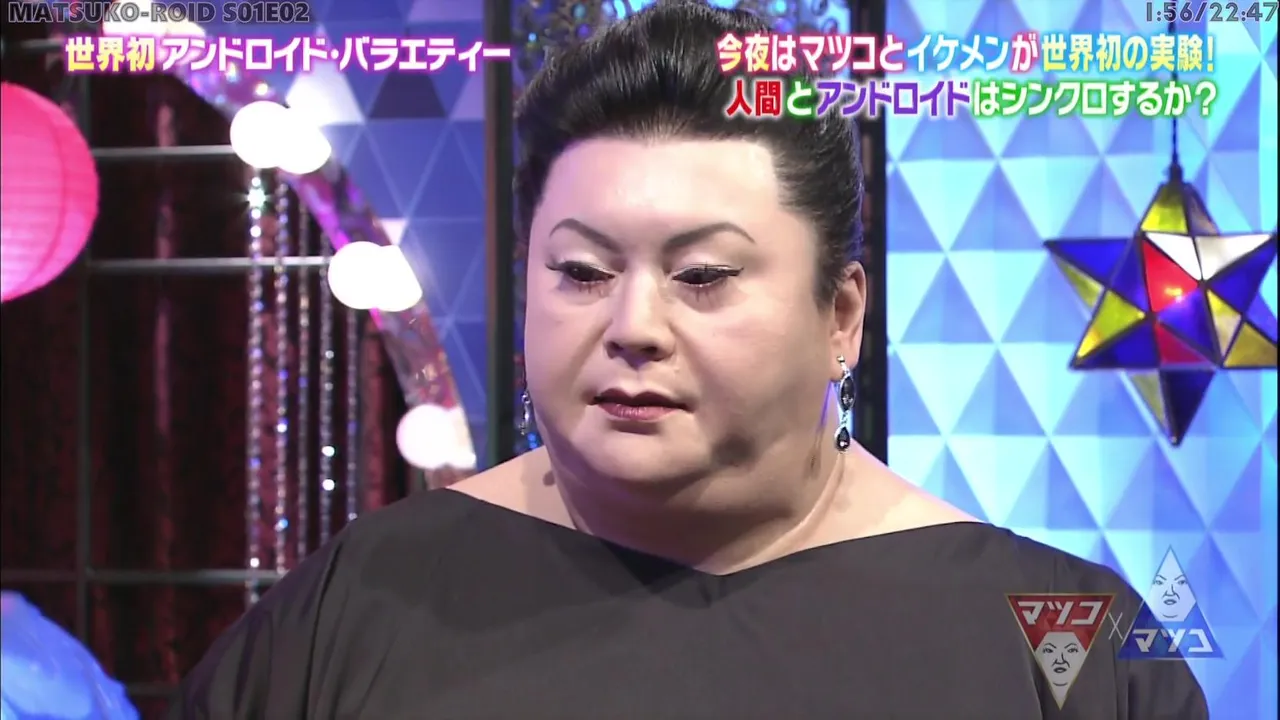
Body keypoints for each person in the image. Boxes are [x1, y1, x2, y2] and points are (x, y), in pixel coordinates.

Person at [170, 1, 1209, 717]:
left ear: (841, 316)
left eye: (702, 276)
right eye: (581, 272)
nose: (633, 325)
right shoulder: (359, 602)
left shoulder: (1062, 646)